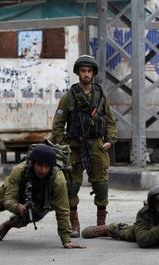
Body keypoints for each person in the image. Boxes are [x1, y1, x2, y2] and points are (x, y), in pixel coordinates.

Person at [0, 144, 84, 249]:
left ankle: (8, 225)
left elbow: (62, 209)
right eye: (40, 165)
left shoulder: (58, 180)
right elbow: (9, 199)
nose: (43, 170)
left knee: (29, 216)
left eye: (47, 166)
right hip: (17, 192)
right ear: (33, 163)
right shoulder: (19, 170)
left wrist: (66, 240)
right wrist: (17, 207)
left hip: (39, 199)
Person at [52, 55, 117, 238]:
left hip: (97, 144)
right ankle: (74, 222)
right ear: (78, 73)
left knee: (101, 184)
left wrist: (110, 140)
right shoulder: (68, 97)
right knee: (71, 185)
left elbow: (111, 121)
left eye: (89, 71)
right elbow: (58, 124)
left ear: (93, 74)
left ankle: (101, 224)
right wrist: (63, 146)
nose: (86, 74)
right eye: (83, 71)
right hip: (75, 146)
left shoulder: (101, 97)